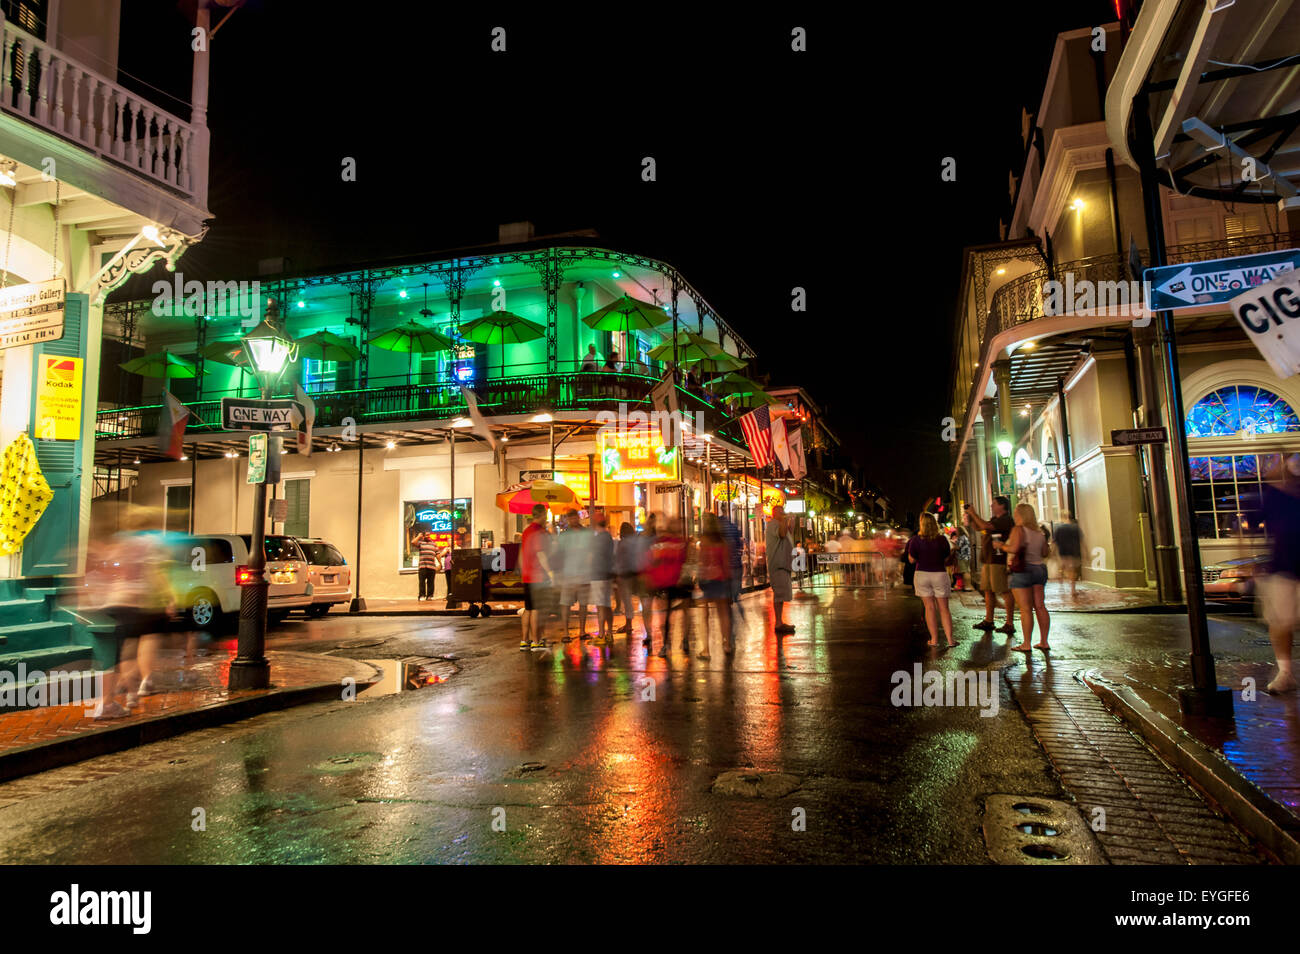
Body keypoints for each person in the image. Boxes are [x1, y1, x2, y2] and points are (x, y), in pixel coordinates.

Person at [1260, 455, 1300, 692]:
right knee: (1281, 622)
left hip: (1284, 566)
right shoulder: (1275, 497)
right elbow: (1251, 523)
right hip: (1283, 567)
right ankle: (1285, 673)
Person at [997, 502, 1051, 652]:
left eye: (1016, 513)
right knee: (1040, 606)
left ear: (1020, 515)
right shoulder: (1039, 532)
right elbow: (1045, 552)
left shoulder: (1019, 529)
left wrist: (1001, 546)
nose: (1014, 515)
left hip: (1023, 570)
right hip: (1039, 569)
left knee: (1025, 609)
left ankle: (1026, 644)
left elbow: (1014, 548)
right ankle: (1044, 641)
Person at [964, 496, 1017, 635]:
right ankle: (989, 620)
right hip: (989, 559)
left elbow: (986, 526)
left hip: (998, 560)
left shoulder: (1006, 520)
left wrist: (974, 513)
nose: (991, 506)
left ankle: (1009, 623)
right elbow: (980, 527)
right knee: (988, 590)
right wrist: (970, 516)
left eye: (994, 504)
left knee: (1004, 590)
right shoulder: (995, 520)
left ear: (1002, 506)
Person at [907, 513, 955, 648]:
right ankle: (950, 640)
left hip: (922, 574)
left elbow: (911, 559)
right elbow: (946, 557)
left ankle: (934, 640)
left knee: (929, 607)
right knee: (944, 608)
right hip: (939, 573)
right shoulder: (942, 539)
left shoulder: (915, 540)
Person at [645, 513, 689, 657]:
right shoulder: (680, 543)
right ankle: (679, 641)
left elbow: (652, 561)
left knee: (668, 615)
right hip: (670, 581)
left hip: (667, 581)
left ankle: (669, 643)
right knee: (676, 613)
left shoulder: (664, 542)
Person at [698, 513, 733, 657]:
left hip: (707, 579)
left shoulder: (703, 541)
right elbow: (726, 564)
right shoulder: (722, 542)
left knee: (704, 614)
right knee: (723, 613)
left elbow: (702, 561)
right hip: (720, 578)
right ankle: (726, 643)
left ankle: (706, 649)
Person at [556, 510, 594, 641]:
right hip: (569, 574)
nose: (573, 520)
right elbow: (559, 555)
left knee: (583, 604)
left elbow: (592, 551)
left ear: (578, 518)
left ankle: (582, 631)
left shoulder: (587, 533)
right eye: (570, 518)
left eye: (574, 517)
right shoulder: (564, 535)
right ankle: (566, 633)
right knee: (566, 604)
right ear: (568, 520)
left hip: (584, 574)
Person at [518, 504, 552, 650]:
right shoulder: (538, 532)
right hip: (538, 575)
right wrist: (550, 572)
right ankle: (536, 641)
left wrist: (522, 570)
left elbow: (521, 553)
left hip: (527, 575)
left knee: (528, 608)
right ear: (543, 515)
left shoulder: (526, 531)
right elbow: (541, 554)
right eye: (546, 515)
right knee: (537, 608)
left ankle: (525, 641)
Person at [765, 504, 795, 633]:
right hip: (778, 564)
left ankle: (779, 621)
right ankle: (778, 622)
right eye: (780, 512)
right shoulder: (772, 524)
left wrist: (791, 520)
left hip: (783, 564)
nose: (782, 514)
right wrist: (784, 520)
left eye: (783, 511)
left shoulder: (780, 523)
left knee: (782, 594)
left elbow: (789, 532)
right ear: (774, 514)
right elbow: (782, 534)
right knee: (779, 594)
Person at [589, 512, 615, 646]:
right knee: (606, 605)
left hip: (598, 575)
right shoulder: (608, 537)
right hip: (607, 574)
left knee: (600, 606)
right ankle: (609, 633)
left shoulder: (598, 538)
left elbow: (592, 557)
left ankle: (601, 634)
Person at [614, 521, 642, 636]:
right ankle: (644, 626)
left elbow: (619, 560)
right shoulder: (637, 542)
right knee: (642, 600)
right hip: (636, 573)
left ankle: (629, 624)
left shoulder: (622, 544)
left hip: (625, 574)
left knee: (627, 600)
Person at [1053, 511, 1082, 598]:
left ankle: (1061, 582)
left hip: (1063, 552)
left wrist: (1053, 552)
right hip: (1074, 551)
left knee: (1062, 567)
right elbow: (1081, 541)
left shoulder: (1058, 528)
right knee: (1072, 570)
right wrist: (1086, 552)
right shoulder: (1075, 527)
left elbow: (1054, 542)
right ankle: (1073, 589)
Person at [417, 532, 440, 601]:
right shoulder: (420, 543)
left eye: (429, 535)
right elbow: (413, 542)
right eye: (426, 535)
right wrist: (418, 536)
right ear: (423, 536)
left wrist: (440, 563)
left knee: (431, 582)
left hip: (432, 566)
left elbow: (437, 554)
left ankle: (430, 596)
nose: (428, 536)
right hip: (422, 566)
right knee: (422, 582)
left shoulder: (434, 544)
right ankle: (422, 596)